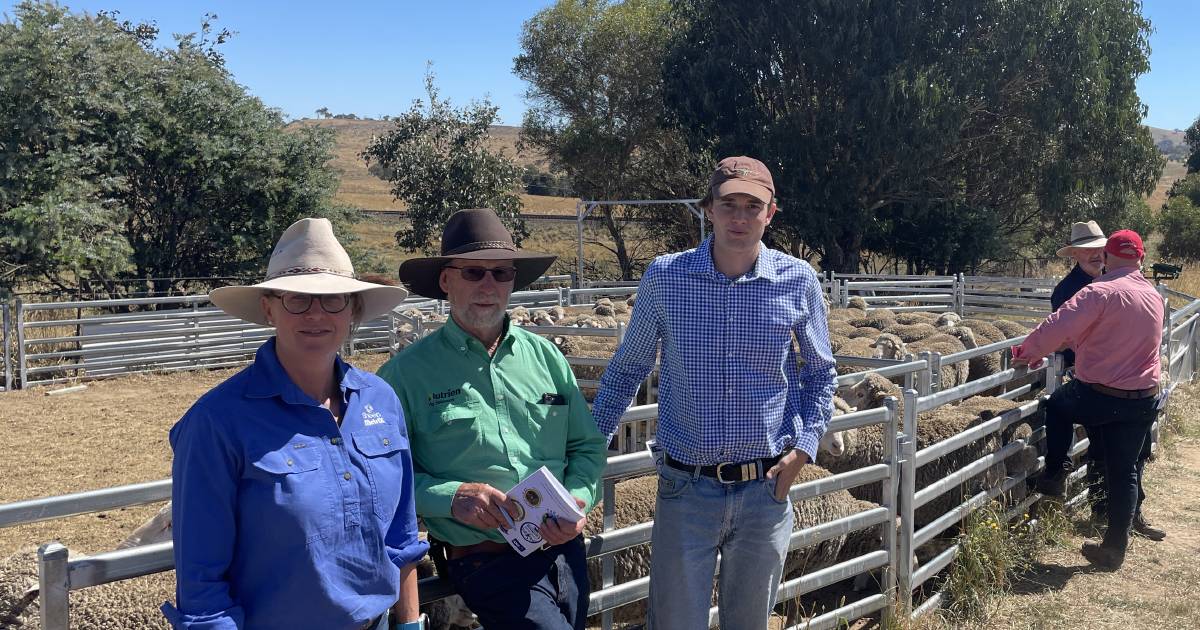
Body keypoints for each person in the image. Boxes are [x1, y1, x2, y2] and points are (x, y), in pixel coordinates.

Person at [591, 156, 839, 629]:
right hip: (687, 490)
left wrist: (803, 451)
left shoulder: (798, 280)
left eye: (753, 205)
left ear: (771, 212)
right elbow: (627, 370)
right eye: (729, 204)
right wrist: (587, 451)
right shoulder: (666, 277)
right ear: (709, 209)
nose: (740, 217)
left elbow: (821, 375)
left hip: (765, 490)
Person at [163, 218, 429, 630]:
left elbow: (401, 535)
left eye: (333, 299)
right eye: (297, 299)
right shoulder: (216, 422)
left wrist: (410, 625)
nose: (316, 314)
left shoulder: (380, 400)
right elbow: (202, 585)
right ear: (269, 307)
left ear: (353, 309)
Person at [377, 208, 608, 630]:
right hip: (484, 558)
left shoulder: (547, 357)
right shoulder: (404, 375)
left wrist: (577, 499)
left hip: (563, 550)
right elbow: (383, 478)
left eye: (501, 273)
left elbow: (586, 446)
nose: (489, 285)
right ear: (446, 280)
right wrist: (450, 496)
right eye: (473, 273)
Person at [1014, 229, 1163, 570]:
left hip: (1099, 393)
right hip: (1141, 398)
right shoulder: (1153, 295)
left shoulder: (1099, 292)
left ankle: (1054, 472)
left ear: (1108, 258)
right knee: (1124, 471)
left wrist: (1027, 353)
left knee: (1058, 406)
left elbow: (1058, 326)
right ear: (1141, 258)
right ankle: (1114, 549)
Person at [1050, 221, 1165, 541]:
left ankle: (1129, 517)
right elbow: (1065, 336)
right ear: (1074, 254)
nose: (1094, 254)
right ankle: (1103, 514)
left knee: (1133, 455)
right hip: (1094, 381)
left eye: (1099, 248)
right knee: (1103, 452)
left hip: (1125, 383)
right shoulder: (1068, 290)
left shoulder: (1120, 283)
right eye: (1085, 250)